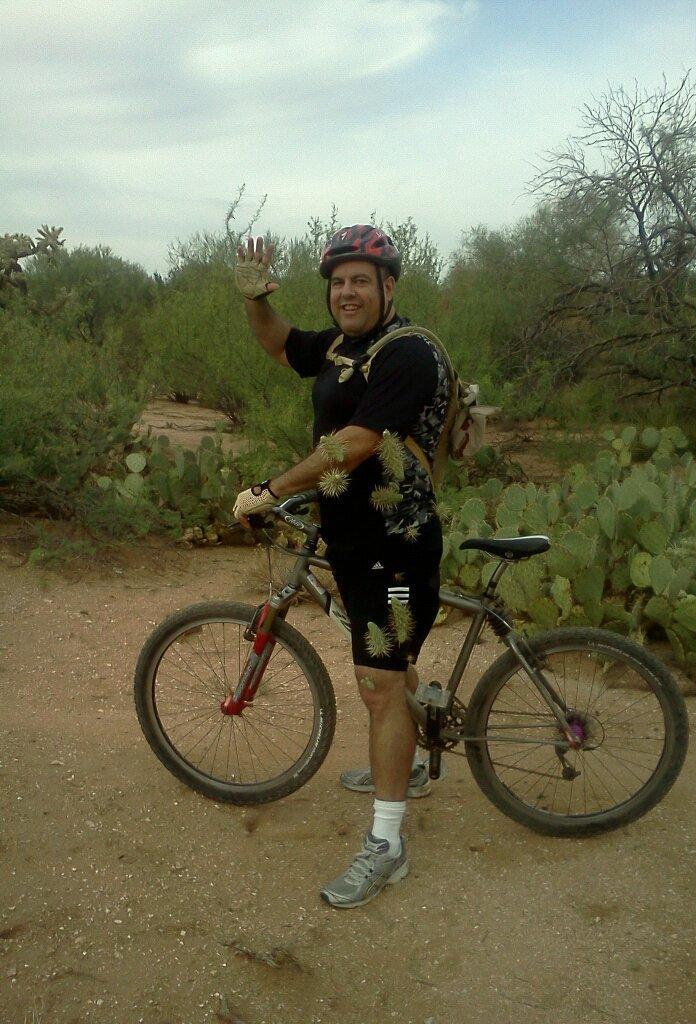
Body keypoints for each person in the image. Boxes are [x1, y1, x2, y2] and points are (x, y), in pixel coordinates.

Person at [232, 225, 450, 908]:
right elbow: (278, 343)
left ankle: (388, 845)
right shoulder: (337, 345)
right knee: (388, 668)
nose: (346, 292)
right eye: (338, 281)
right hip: (354, 542)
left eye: (361, 279)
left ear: (390, 286)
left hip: (396, 545)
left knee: (379, 689)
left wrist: (274, 489)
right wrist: (257, 298)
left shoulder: (408, 352)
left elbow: (355, 443)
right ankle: (411, 761)